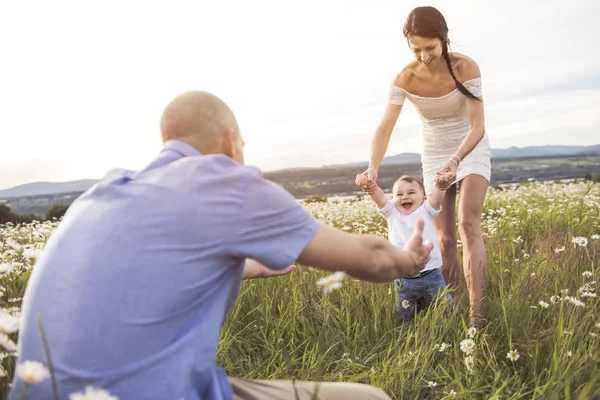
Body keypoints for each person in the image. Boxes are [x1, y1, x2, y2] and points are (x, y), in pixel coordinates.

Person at [11, 90, 434, 400]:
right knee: (370, 399)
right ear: (231, 142)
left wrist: (247, 266)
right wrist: (410, 259)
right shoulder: (225, 181)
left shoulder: (101, 194)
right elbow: (373, 258)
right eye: (244, 148)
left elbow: (156, 270)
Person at [357, 6, 491, 321]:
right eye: (416, 49)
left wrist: (456, 160)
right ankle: (453, 303)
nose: (424, 55)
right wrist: (372, 167)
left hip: (469, 148)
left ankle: (477, 311)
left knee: (468, 223)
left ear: (443, 40)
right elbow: (385, 128)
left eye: (430, 48)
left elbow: (477, 126)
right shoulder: (405, 77)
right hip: (434, 152)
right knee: (443, 239)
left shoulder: (466, 67)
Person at [355, 173, 451, 321]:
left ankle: (447, 331)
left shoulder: (426, 209)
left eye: (411, 192)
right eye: (399, 194)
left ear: (424, 198)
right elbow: (379, 198)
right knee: (405, 317)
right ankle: (407, 338)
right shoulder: (392, 212)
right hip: (404, 278)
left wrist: (441, 186)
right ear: (393, 200)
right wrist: (371, 188)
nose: (405, 197)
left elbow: (437, 199)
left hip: (431, 274)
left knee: (444, 311)